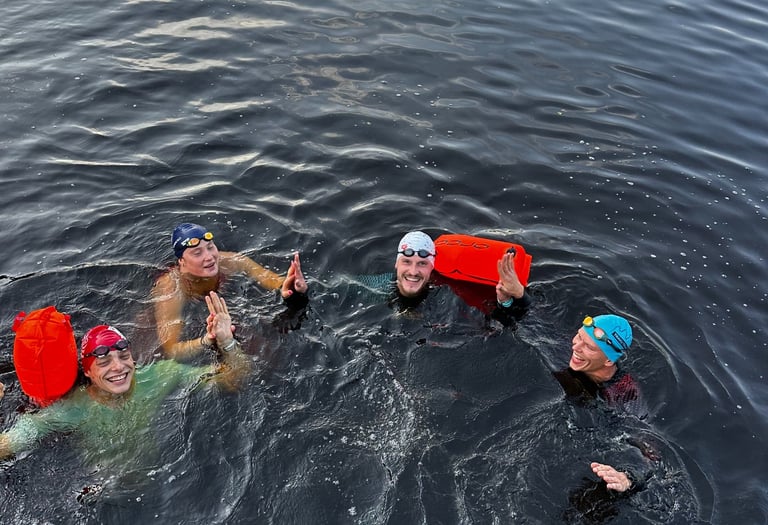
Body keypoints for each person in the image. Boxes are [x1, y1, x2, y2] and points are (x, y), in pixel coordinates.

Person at [0, 292, 250, 463]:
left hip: (163, 471)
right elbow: (10, 444)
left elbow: (233, 380)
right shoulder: (74, 408)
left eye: (123, 356)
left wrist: (227, 343)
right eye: (104, 362)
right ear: (87, 372)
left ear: (133, 358)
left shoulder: (161, 375)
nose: (118, 367)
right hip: (100, 488)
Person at [152, 222, 309, 360]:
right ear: (181, 261)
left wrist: (292, 287)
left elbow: (271, 279)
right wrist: (207, 339)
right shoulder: (170, 288)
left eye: (210, 247)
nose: (209, 257)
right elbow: (172, 350)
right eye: (197, 253)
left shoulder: (230, 261)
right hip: (189, 316)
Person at [552, 314, 650, 494]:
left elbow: (648, 451)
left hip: (594, 451)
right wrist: (511, 301)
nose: (576, 346)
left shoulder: (625, 394)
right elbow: (534, 322)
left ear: (609, 360)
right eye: (579, 336)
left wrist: (628, 478)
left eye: (588, 346)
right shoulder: (571, 351)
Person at [355, 231, 531, 321]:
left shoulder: (450, 292)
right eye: (407, 262)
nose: (413, 271)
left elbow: (509, 322)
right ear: (396, 264)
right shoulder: (375, 286)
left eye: (422, 264)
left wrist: (515, 297)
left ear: (432, 268)